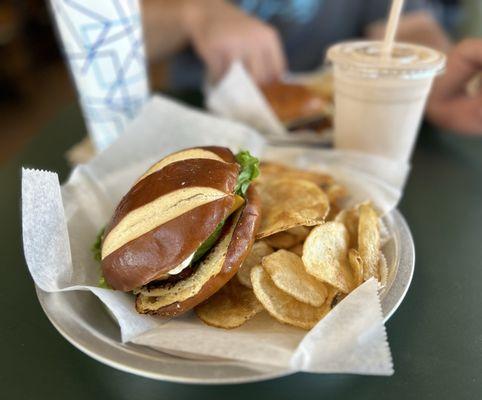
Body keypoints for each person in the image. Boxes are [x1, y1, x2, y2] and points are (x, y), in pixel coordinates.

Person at [143, 0, 482, 135]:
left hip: (343, 133)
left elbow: (408, 28)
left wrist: (431, 79)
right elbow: (98, 35)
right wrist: (193, 12)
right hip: (187, 119)